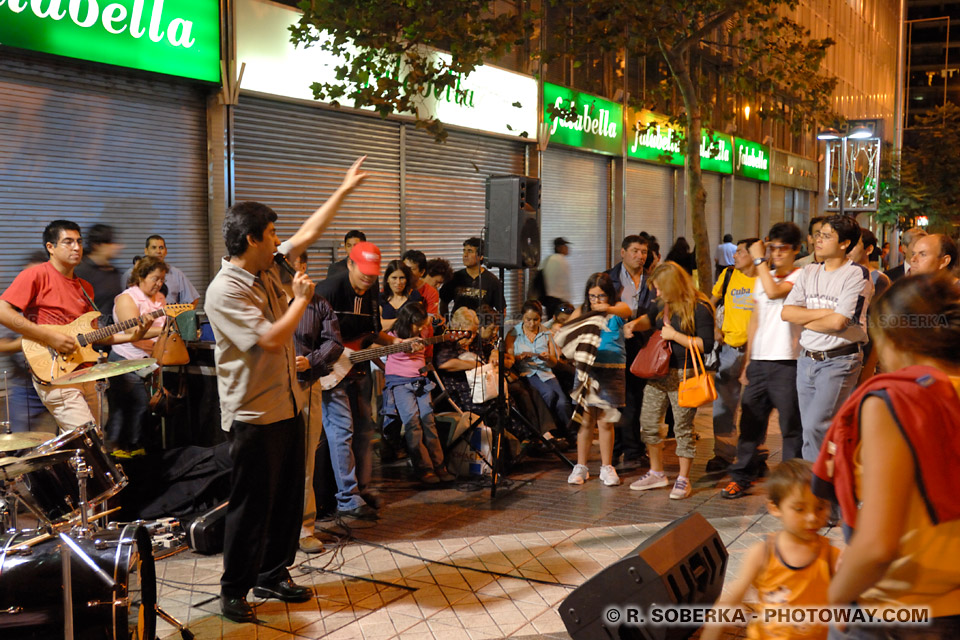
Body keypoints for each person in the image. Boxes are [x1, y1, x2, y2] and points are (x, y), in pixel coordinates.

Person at [204, 156, 366, 624]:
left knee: (289, 497)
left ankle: (274, 572)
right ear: (252, 239)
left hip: (289, 403)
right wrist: (298, 301)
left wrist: (343, 187)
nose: (280, 241)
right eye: (272, 234)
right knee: (250, 505)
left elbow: (309, 234)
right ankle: (234, 589)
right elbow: (271, 338)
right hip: (254, 414)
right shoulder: (225, 290)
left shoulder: (266, 266)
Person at [813, 274, 960, 637]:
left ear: (894, 338)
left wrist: (834, 597)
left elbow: (878, 546)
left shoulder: (896, 400)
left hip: (898, 610)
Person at [0, 220, 148, 431]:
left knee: (89, 441)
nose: (77, 247)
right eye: (68, 242)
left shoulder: (84, 286)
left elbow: (96, 336)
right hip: (56, 372)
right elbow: (2, 311)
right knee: (90, 440)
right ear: (50, 247)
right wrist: (48, 336)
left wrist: (132, 336)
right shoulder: (36, 274)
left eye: (78, 241)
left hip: (86, 373)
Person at [317, 240, 410, 521]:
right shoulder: (327, 291)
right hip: (331, 372)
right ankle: (346, 497)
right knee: (341, 431)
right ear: (349, 264)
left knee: (364, 430)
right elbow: (311, 336)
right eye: (363, 272)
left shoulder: (371, 292)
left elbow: (371, 334)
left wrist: (402, 342)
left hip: (357, 369)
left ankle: (362, 489)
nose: (368, 278)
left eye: (373, 272)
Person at [702, 459, 838, 640]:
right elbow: (730, 601)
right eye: (799, 508)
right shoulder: (763, 553)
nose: (812, 517)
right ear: (775, 507)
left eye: (821, 507)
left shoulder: (831, 556)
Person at [722, 224, 804, 499]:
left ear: (796, 250)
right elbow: (755, 319)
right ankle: (742, 476)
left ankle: (791, 482)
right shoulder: (762, 275)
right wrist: (748, 361)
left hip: (788, 362)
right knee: (751, 424)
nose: (776, 254)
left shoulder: (801, 275)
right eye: (773, 248)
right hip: (759, 362)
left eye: (783, 248)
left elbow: (774, 292)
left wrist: (758, 260)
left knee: (791, 427)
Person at [782, 215, 872, 462]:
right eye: (818, 235)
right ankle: (828, 483)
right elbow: (786, 312)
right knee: (813, 428)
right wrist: (824, 314)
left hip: (839, 361)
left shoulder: (856, 274)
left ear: (844, 243)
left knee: (815, 426)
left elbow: (838, 322)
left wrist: (806, 318)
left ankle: (819, 488)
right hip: (806, 360)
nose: (818, 241)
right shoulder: (809, 271)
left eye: (826, 236)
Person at [628, 261, 715, 499]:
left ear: (673, 285)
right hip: (658, 373)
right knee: (648, 423)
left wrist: (676, 336)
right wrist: (635, 325)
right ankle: (657, 472)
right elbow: (651, 320)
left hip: (684, 375)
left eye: (659, 288)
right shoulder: (662, 303)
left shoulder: (700, 307)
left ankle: (683, 479)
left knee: (682, 428)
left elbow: (706, 344)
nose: (657, 293)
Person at [292, 250, 344, 554]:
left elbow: (335, 342)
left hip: (306, 385)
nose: (295, 268)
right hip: (271, 390)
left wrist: (310, 361)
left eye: (299, 262)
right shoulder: (266, 301)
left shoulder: (318, 302)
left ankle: (304, 529)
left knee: (307, 461)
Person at [564, 273, 632, 487]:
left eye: (600, 296)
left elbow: (627, 311)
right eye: (592, 296)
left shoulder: (616, 310)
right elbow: (567, 330)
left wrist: (607, 308)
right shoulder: (583, 310)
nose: (596, 300)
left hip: (611, 370)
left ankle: (606, 466)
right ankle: (581, 466)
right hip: (588, 370)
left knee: (605, 421)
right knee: (585, 421)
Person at [105, 257, 171, 454]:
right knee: (126, 409)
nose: (159, 283)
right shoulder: (127, 298)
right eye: (154, 278)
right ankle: (118, 452)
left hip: (151, 360)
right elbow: (133, 332)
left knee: (145, 410)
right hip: (126, 359)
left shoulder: (160, 298)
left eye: (162, 279)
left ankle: (137, 450)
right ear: (141, 276)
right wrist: (163, 332)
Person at [381, 302, 452, 484]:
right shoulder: (392, 335)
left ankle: (439, 465)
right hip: (399, 382)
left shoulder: (425, 331)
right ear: (407, 321)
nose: (421, 328)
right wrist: (386, 368)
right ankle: (424, 468)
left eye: (423, 324)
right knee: (412, 423)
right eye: (417, 324)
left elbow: (428, 353)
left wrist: (426, 367)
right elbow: (375, 352)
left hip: (420, 381)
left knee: (428, 420)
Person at [708, 238, 758, 472]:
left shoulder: (765, 278)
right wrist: (714, 328)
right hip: (729, 349)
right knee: (724, 406)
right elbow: (711, 303)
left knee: (755, 406)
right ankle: (724, 455)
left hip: (757, 353)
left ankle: (754, 455)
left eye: (740, 252)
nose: (735, 256)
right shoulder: (728, 275)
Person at [606, 235, 654, 468]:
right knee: (614, 397)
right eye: (635, 251)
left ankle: (634, 450)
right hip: (614, 342)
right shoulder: (608, 278)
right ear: (623, 252)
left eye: (643, 252)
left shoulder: (652, 279)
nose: (640, 256)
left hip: (642, 342)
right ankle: (614, 450)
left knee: (636, 397)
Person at [0, 251, 58, 433]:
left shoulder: (59, 305)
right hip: (25, 386)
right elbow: (2, 345)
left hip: (61, 381)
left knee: (73, 441)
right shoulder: (10, 307)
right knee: (19, 442)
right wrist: (40, 337)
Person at [506, 300, 572, 436]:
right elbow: (509, 358)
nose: (532, 324)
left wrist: (547, 358)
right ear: (522, 317)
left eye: (535, 320)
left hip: (545, 372)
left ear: (540, 318)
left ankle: (570, 433)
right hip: (527, 372)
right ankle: (549, 432)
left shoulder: (546, 333)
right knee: (548, 394)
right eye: (528, 319)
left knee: (563, 402)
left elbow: (554, 362)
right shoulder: (513, 334)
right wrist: (519, 357)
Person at [123, 235, 200, 306]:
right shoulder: (131, 274)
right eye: (154, 247)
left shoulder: (176, 273)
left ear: (166, 251)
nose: (158, 251)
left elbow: (192, 300)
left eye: (161, 248)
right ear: (146, 251)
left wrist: (181, 318)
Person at [74, 223, 124, 326]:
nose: (118, 247)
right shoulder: (80, 272)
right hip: (87, 335)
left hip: (112, 335)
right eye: (112, 243)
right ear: (97, 245)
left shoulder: (115, 273)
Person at [439, 237, 504, 316]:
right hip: (458, 326)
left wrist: (492, 328)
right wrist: (446, 323)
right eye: (464, 251)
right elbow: (443, 303)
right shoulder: (455, 277)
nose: (465, 255)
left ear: (481, 256)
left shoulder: (492, 281)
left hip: (480, 327)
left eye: (470, 251)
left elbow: (502, 310)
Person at [380, 260, 423, 332]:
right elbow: (379, 326)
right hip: (385, 342)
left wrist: (388, 323)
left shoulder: (414, 296)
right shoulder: (381, 297)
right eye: (394, 278)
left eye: (402, 278)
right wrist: (404, 321)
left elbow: (417, 323)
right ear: (387, 279)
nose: (398, 282)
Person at [402, 249, 441, 319]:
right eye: (404, 268)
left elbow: (430, 319)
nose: (406, 272)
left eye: (411, 269)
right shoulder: (394, 287)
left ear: (422, 272)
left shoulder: (431, 293)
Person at [541, 237, 572, 318]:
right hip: (559, 300)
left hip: (549, 300)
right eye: (565, 246)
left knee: (551, 322)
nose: (567, 248)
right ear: (559, 248)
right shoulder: (561, 261)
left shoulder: (548, 259)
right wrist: (568, 302)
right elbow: (565, 285)